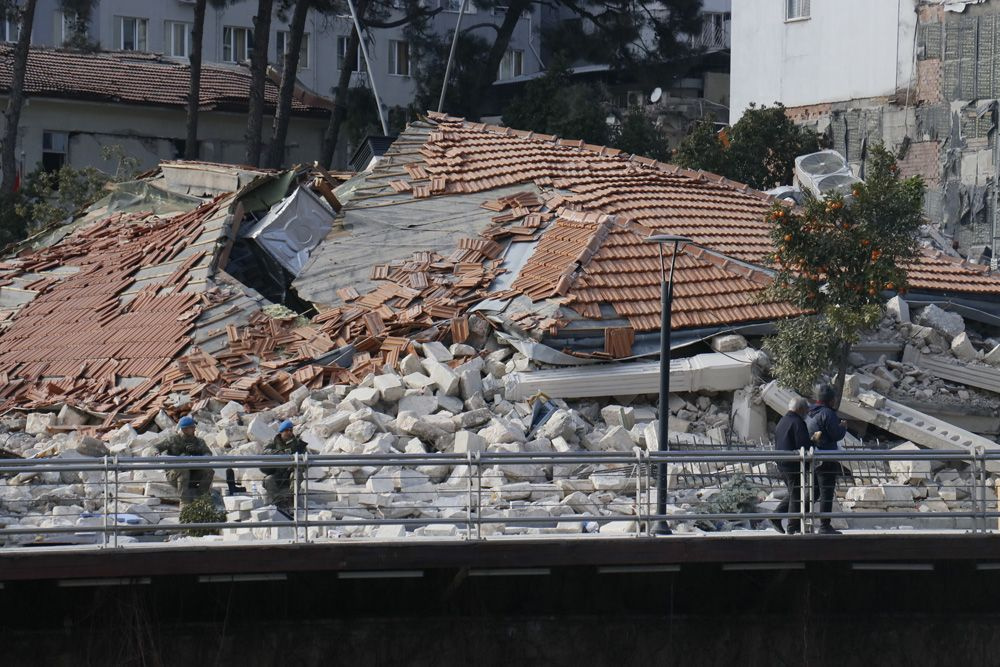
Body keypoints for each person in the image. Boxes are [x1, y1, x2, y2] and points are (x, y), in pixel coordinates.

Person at [806, 383, 849, 535]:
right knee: (827, 492)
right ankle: (824, 526)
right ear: (831, 400)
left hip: (815, 458)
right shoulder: (828, 414)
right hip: (827, 458)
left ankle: (795, 518)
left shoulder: (810, 412)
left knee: (815, 492)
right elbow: (836, 434)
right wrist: (843, 427)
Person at [772, 396, 812, 535]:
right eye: (806, 410)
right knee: (796, 494)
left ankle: (776, 516)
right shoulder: (797, 422)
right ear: (800, 409)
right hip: (793, 464)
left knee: (794, 492)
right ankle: (792, 526)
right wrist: (814, 442)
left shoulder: (782, 421)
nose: (807, 413)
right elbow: (804, 445)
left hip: (782, 463)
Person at [156, 416, 214, 507]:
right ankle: (184, 501)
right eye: (192, 427)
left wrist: (198, 451)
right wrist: (156, 453)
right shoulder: (173, 440)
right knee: (183, 468)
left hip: (193, 476)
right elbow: (156, 447)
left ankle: (201, 497)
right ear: (185, 429)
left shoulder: (199, 442)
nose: (195, 429)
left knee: (209, 470)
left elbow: (208, 454)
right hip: (175, 475)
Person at [261, 419, 307, 511]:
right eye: (286, 430)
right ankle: (279, 502)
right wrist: (279, 453)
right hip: (276, 473)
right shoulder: (273, 442)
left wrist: (295, 465)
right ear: (281, 432)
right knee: (268, 480)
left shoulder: (298, 444)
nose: (289, 432)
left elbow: (305, 459)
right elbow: (264, 453)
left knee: (297, 475)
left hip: (290, 475)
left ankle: (290, 500)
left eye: (291, 430)